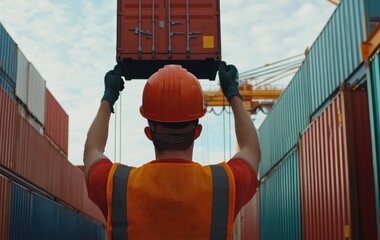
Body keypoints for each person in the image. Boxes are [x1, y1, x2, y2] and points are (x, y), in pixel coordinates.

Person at [84, 62, 260, 240]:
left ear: (149, 134)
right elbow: (251, 150)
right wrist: (232, 92)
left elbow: (92, 150)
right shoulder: (224, 184)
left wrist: (109, 97)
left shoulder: (116, 184)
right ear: (197, 132)